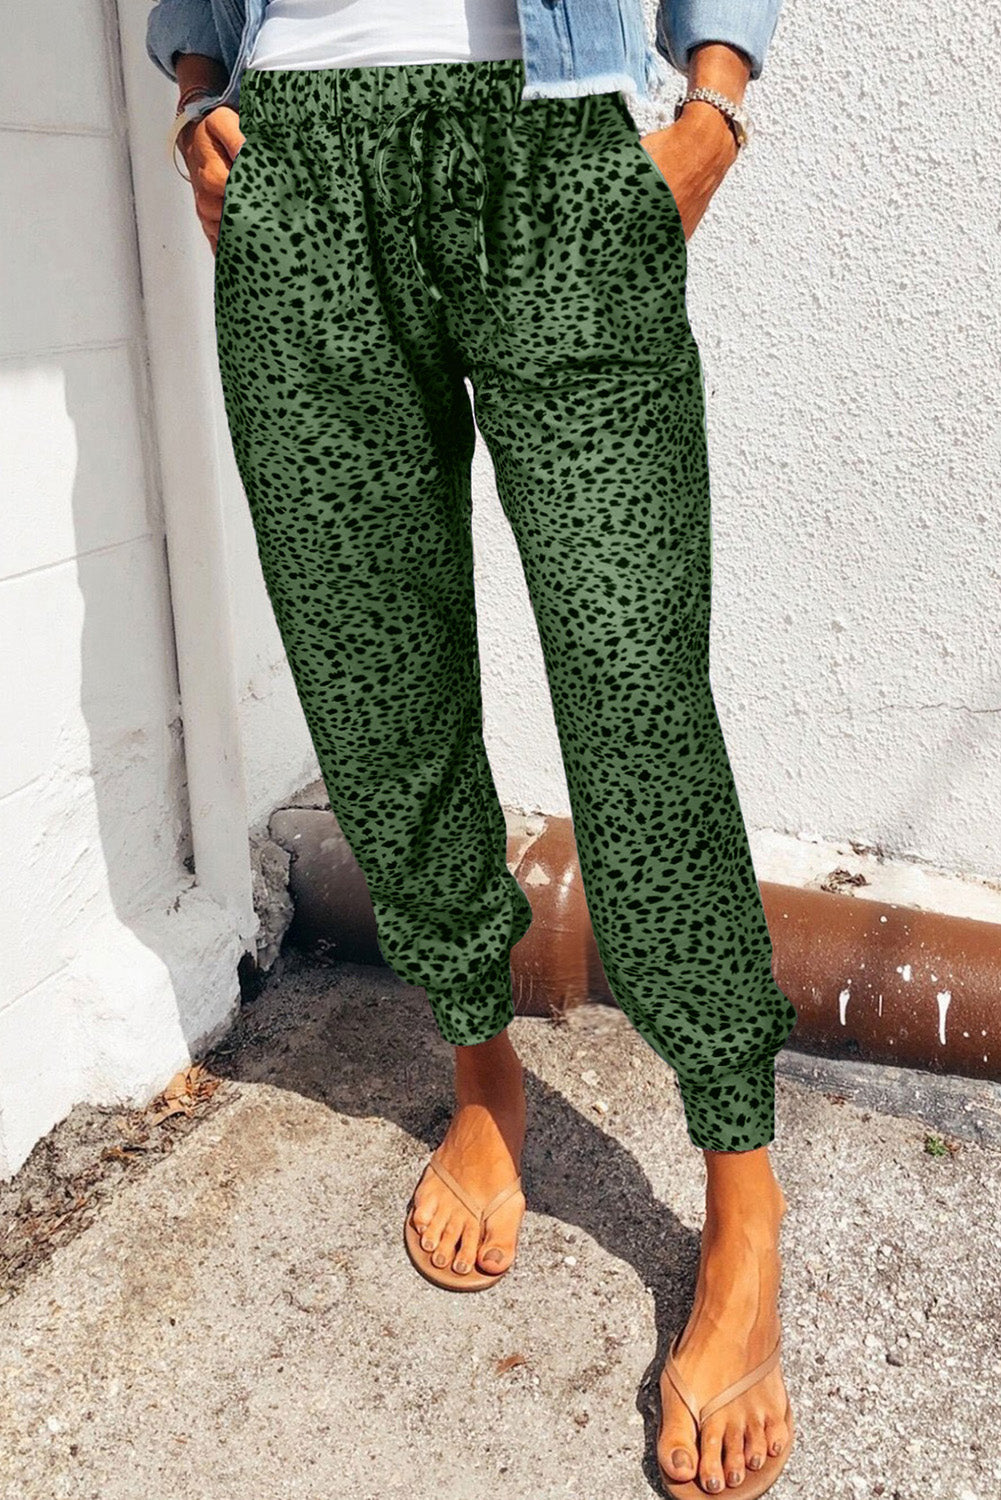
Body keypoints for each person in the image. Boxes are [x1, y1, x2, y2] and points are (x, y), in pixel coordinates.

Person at [146, 0, 799, 1492]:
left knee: (635, 686)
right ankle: (479, 1066)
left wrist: (713, 104)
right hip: (298, 165)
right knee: (376, 677)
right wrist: (195, 85)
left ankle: (740, 1191)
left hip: (553, 144)